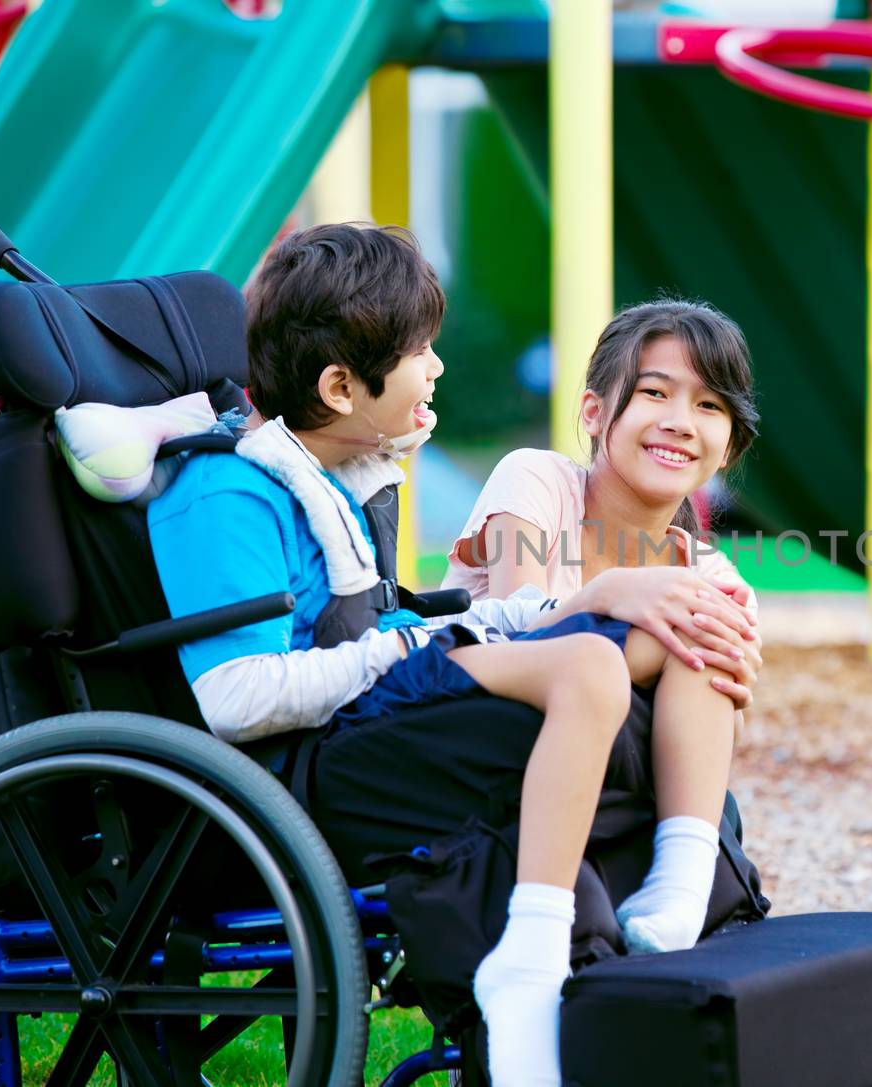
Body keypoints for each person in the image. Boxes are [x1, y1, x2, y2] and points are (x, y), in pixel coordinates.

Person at [144, 224, 761, 1087]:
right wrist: (404, 645)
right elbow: (237, 696)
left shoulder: (341, 487)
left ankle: (666, 894)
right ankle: (534, 954)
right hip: (304, 770)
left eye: (709, 407)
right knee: (595, 659)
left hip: (377, 715)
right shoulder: (227, 491)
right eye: (420, 353)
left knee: (667, 630)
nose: (438, 368)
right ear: (340, 385)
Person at [446, 299, 764, 959]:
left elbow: (723, 732)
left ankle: (682, 885)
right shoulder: (538, 481)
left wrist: (729, 675)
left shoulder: (709, 569)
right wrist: (615, 593)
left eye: (709, 407)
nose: (679, 422)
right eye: (655, 392)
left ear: (729, 444)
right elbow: (518, 627)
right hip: (487, 729)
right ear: (593, 412)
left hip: (617, 768)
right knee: (693, 621)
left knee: (704, 617)